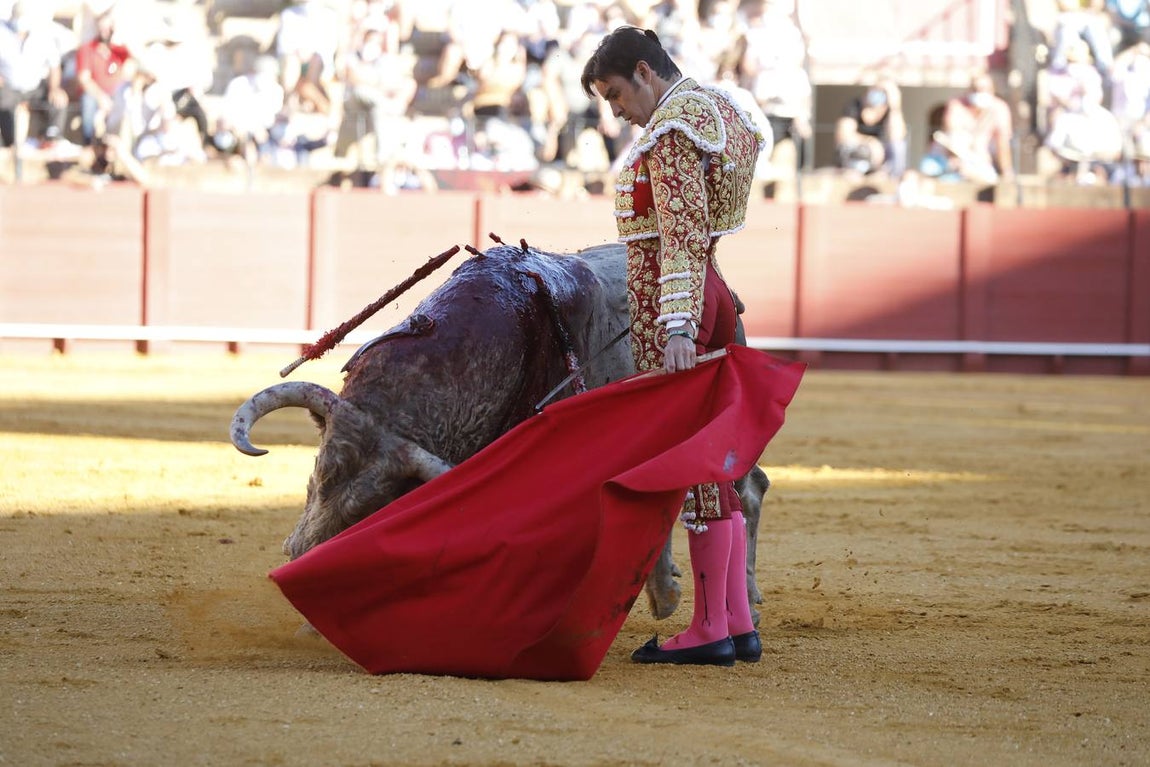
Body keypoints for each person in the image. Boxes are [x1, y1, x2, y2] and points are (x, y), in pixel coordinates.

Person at [581, 25, 765, 667]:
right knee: (711, 463)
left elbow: (681, 234)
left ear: (644, 72)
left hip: (677, 303)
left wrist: (678, 324)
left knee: (690, 465)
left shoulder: (673, 130)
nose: (617, 111)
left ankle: (711, 628)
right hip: (710, 290)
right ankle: (735, 622)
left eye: (615, 94)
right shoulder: (719, 107)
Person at [920, 71, 1014, 184]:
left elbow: (1002, 142)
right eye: (975, 89)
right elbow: (952, 136)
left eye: (983, 89)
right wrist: (957, 160)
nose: (979, 92)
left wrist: (1006, 171)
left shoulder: (999, 108)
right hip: (953, 157)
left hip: (980, 161)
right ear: (969, 90)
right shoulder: (956, 105)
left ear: (992, 90)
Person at [0, 2, 69, 153]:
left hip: (35, 86)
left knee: (59, 100)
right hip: (9, 87)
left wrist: (54, 88)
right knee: (3, 104)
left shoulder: (42, 34)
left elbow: (54, 65)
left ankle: (50, 138)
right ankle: (8, 144)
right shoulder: (2, 32)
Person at [75, 6, 132, 146]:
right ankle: (89, 144)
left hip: (115, 95)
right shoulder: (87, 49)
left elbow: (131, 70)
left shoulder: (120, 51)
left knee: (126, 98)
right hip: (96, 96)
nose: (105, 31)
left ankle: (121, 145)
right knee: (88, 101)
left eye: (109, 27)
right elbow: (84, 79)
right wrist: (101, 97)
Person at [833, 79, 906, 178]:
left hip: (880, 158)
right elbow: (843, 135)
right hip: (858, 152)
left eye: (884, 92)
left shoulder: (889, 111)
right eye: (877, 90)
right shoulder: (854, 106)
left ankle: (893, 178)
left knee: (898, 146)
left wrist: (895, 107)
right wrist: (870, 142)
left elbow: (897, 136)